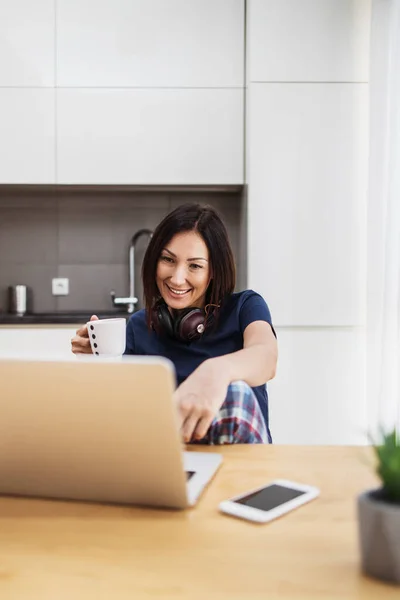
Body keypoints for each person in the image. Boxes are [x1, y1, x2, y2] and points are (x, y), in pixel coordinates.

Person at [71, 203, 278, 444]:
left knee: (237, 394)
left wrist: (216, 372)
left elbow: (266, 357)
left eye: (195, 265)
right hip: (169, 462)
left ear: (213, 271)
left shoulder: (245, 306)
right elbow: (121, 416)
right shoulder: (139, 326)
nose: (177, 278)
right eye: (168, 260)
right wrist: (97, 362)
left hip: (242, 466)